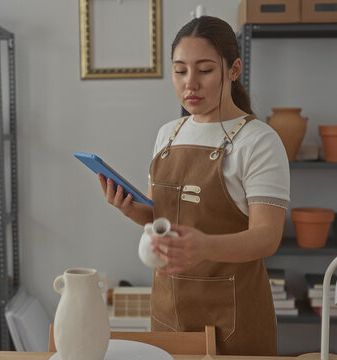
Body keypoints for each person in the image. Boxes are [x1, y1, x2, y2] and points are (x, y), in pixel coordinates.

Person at [98, 16, 289, 356]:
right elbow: (163, 218)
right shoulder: (168, 133)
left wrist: (204, 246)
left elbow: (267, 237)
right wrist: (131, 210)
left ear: (233, 70)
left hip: (234, 322)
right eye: (180, 70)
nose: (190, 84)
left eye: (204, 70)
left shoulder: (258, 141)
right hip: (168, 312)